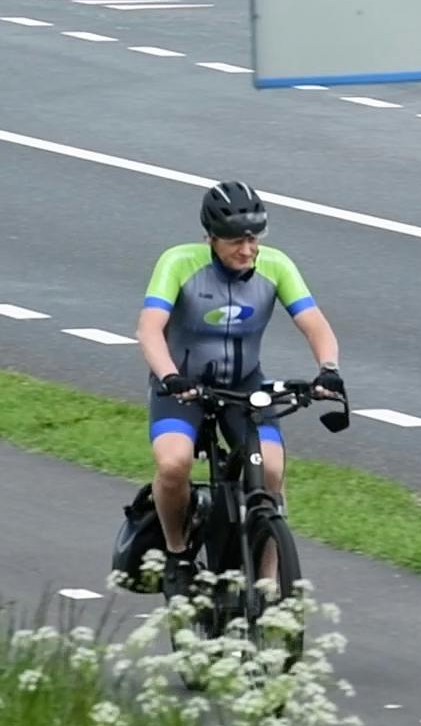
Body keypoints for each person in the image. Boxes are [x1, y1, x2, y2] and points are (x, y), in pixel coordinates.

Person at [137, 180, 343, 600]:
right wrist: (170, 376)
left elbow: (314, 324)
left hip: (245, 387)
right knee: (174, 464)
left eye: (253, 238)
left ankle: (268, 585)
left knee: (270, 472)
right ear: (210, 239)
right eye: (234, 241)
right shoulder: (178, 262)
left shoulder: (277, 266)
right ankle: (177, 554)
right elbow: (149, 328)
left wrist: (328, 369)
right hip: (182, 386)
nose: (246, 250)